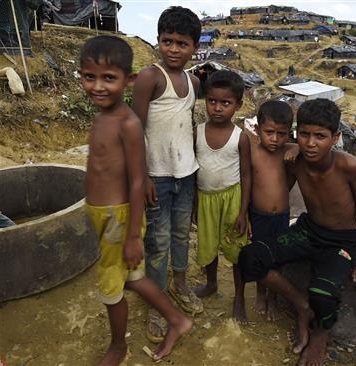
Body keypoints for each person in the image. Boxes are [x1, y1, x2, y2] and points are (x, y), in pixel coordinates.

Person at [79, 36, 192, 365]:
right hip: (104, 214)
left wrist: (131, 237)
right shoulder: (102, 116)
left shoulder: (128, 123)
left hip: (119, 219)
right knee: (135, 279)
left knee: (111, 288)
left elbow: (138, 179)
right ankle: (176, 319)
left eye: (108, 78)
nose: (98, 87)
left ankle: (118, 347)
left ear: (128, 80)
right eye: (89, 77)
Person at [239, 98, 356, 366]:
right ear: (296, 132)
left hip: (342, 240)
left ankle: (320, 336)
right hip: (308, 230)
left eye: (320, 136)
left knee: (323, 294)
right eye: (304, 134)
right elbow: (269, 145)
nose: (311, 143)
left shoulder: (348, 167)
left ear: (335, 137)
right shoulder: (294, 157)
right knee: (249, 258)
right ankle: (301, 305)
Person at [131, 6, 202, 341]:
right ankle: (158, 304)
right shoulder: (150, 77)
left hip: (186, 175)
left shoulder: (194, 82)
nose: (174, 49)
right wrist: (142, 177)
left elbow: (185, 126)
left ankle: (180, 285)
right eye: (167, 41)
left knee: (180, 235)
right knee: (157, 242)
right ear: (158, 41)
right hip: (157, 176)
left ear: (195, 47)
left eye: (182, 43)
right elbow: (135, 130)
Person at [192, 70, 251, 323]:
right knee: (208, 246)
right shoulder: (197, 132)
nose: (217, 108)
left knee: (237, 250)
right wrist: (194, 203)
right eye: (212, 101)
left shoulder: (241, 138)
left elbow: (247, 175)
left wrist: (243, 212)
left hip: (232, 199)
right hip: (205, 199)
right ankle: (211, 283)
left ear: (237, 105)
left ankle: (239, 296)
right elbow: (193, 170)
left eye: (225, 103)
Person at [248, 100, 299, 321]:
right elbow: (247, 186)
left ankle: (273, 298)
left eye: (282, 133)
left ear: (289, 133)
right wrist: (245, 216)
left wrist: (297, 146)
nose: (275, 139)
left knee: (278, 258)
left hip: (281, 216)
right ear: (257, 129)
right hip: (258, 216)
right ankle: (261, 292)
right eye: (269, 132)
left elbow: (305, 150)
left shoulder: (288, 151)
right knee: (260, 256)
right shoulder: (252, 154)